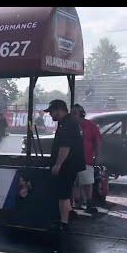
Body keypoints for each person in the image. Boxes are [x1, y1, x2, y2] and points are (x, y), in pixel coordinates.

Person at [44, 99, 85, 231]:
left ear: (59, 110)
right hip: (70, 164)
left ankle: (64, 222)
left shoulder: (67, 124)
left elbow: (65, 147)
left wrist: (58, 164)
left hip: (67, 165)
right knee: (65, 193)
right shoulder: (67, 122)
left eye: (51, 112)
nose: (50, 115)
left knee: (63, 194)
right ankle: (69, 214)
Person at [71, 104, 102, 214]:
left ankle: (89, 203)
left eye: (75, 113)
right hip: (71, 159)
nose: (73, 115)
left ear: (82, 114)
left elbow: (97, 143)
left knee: (88, 182)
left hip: (86, 159)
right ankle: (76, 202)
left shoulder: (91, 126)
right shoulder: (69, 126)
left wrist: (97, 157)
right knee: (73, 182)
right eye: (72, 113)